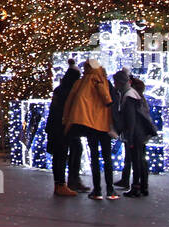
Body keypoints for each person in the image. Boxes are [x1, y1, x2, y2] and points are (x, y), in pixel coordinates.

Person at [62, 59, 118, 200]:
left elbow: (70, 102)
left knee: (94, 157)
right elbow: (113, 102)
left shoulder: (80, 83)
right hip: (104, 125)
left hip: (90, 125)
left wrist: (67, 120)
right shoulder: (105, 81)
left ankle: (97, 190)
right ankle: (111, 190)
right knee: (107, 158)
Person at [46, 60, 80, 196]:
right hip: (61, 128)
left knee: (59, 155)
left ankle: (60, 184)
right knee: (61, 155)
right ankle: (61, 184)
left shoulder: (59, 89)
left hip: (54, 127)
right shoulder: (68, 92)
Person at [119, 77, 156, 198]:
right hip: (142, 133)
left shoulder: (130, 96)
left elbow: (131, 118)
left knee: (136, 160)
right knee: (141, 159)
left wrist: (129, 135)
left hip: (136, 133)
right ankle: (143, 186)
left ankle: (136, 187)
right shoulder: (140, 97)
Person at [111, 67, 132, 191]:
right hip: (127, 129)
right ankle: (127, 179)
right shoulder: (123, 93)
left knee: (131, 156)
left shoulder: (127, 94)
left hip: (130, 130)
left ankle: (133, 183)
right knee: (129, 156)